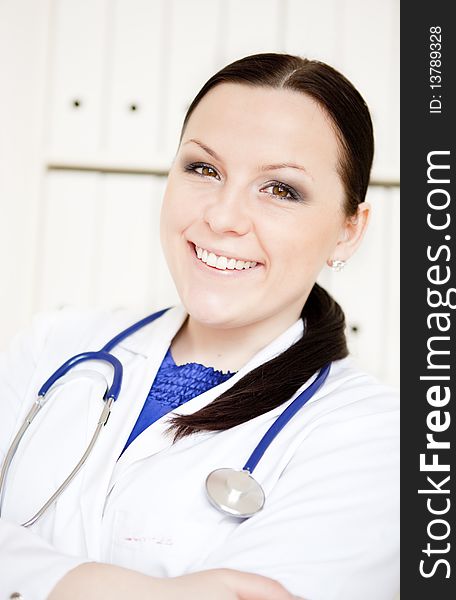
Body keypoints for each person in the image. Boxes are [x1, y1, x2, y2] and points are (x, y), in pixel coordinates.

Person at [0, 53, 399, 600]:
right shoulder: (54, 348)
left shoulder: (374, 440)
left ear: (348, 231)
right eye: (204, 169)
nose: (222, 218)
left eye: (281, 189)